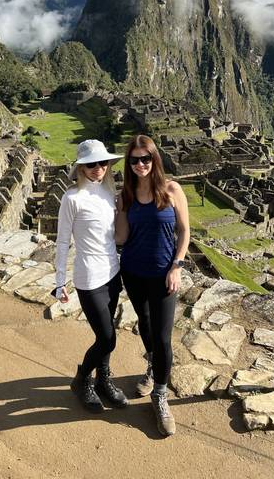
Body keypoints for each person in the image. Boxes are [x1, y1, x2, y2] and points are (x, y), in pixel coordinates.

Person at [115, 134, 190, 436]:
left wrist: (177, 265)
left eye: (146, 158)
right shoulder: (128, 195)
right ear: (128, 163)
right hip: (133, 271)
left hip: (163, 273)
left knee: (162, 336)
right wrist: (119, 208)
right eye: (134, 160)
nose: (141, 164)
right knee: (145, 326)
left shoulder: (172, 190)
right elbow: (121, 238)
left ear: (154, 159)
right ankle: (152, 367)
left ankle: (160, 392)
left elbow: (184, 232)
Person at [54, 139, 128, 412]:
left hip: (112, 273)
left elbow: (116, 234)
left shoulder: (109, 193)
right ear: (81, 167)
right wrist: (59, 281)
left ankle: (103, 379)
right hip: (89, 277)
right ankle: (82, 379)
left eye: (103, 162)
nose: (98, 168)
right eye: (91, 164)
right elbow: (62, 241)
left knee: (106, 331)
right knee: (107, 337)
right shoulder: (71, 198)